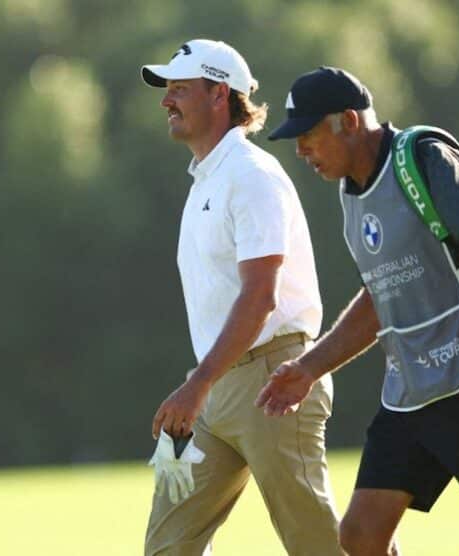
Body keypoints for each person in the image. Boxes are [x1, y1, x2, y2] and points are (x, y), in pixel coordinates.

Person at [256, 66, 459, 556]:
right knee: (361, 535)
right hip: (407, 392)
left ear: (349, 121)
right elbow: (378, 296)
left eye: (309, 134)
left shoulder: (425, 157)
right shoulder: (349, 192)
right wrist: (309, 367)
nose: (301, 150)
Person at [140, 42, 343, 555]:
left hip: (275, 380)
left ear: (219, 95)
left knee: (315, 544)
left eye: (180, 90)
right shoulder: (208, 178)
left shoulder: (251, 175)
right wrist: (203, 383)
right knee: (169, 546)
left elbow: (260, 297)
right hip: (217, 384)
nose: (168, 101)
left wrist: (198, 383)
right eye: (168, 91)